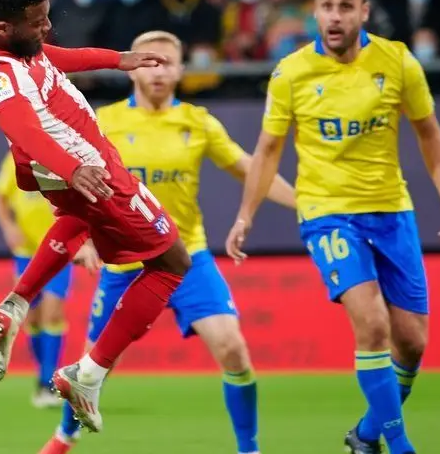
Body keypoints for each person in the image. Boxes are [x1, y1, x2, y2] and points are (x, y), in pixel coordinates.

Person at [226, 0, 440, 454]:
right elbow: (268, 149)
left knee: (413, 343)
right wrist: (246, 214)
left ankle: (367, 436)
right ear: (315, 12)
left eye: (345, 6)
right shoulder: (291, 72)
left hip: (392, 211)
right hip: (328, 213)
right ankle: (400, 448)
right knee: (373, 326)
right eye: (326, 7)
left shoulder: (398, 62)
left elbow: (430, 135)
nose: (334, 17)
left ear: (364, 11)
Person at [0, 0, 187, 434]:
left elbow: (47, 56)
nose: (46, 26)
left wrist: (112, 58)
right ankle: (89, 373)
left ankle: (17, 304)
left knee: (81, 220)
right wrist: (75, 167)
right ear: (4, 27)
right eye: (38, 20)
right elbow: (19, 122)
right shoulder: (0, 75)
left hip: (59, 168)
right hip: (87, 164)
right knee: (171, 263)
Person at [40, 30, 295, 454]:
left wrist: (305, 203)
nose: (160, 71)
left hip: (186, 256)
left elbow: (251, 168)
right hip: (125, 262)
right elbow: (74, 183)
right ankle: (62, 439)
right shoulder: (107, 120)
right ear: (135, 67)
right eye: (152, 61)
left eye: (170, 63)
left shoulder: (198, 122)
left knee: (233, 349)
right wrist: (82, 241)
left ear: (180, 71)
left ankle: (249, 449)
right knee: (90, 367)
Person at [0, 153, 91, 409]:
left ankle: (48, 382)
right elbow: (0, 198)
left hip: (58, 247)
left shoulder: (60, 157)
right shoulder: (13, 159)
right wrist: (7, 227)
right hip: (26, 251)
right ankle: (42, 375)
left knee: (53, 313)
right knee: (32, 318)